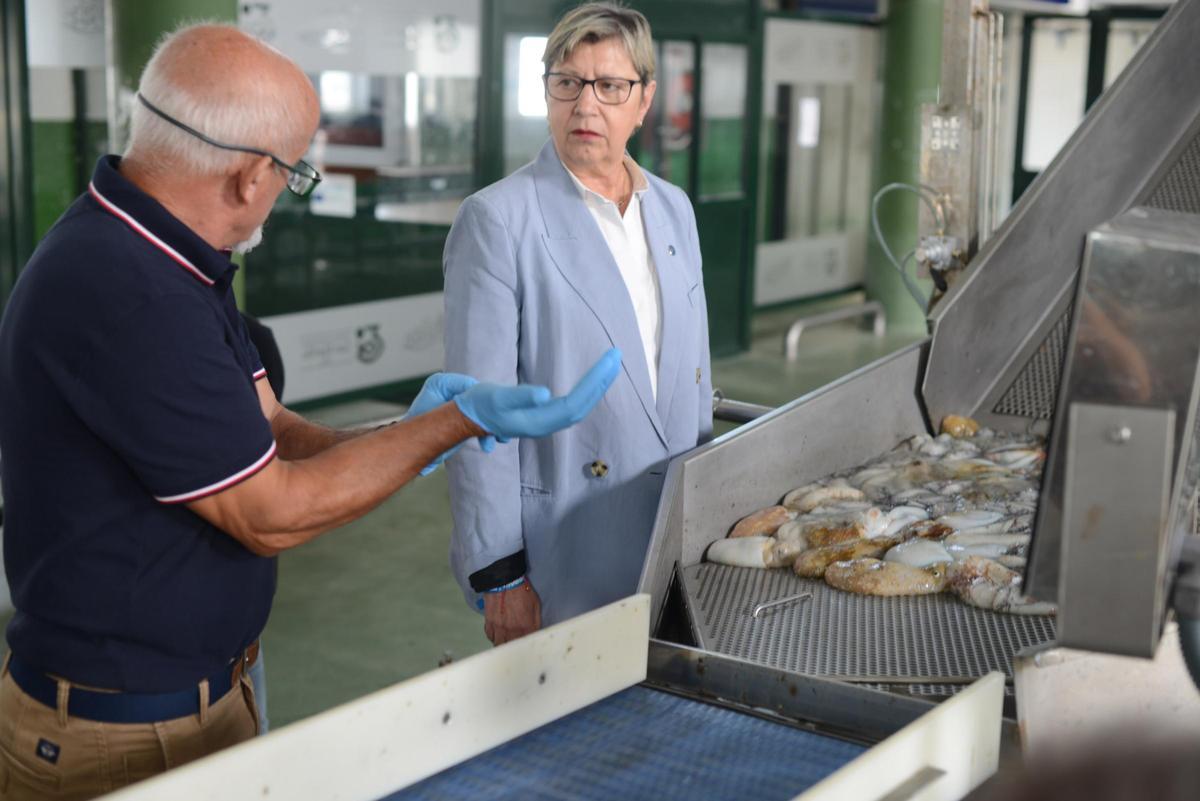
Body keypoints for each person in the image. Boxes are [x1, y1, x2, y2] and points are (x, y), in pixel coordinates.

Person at [0, 24, 619, 800]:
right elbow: (271, 512)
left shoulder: (174, 252)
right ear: (252, 177)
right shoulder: (128, 291)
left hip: (205, 695)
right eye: (295, 174)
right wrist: (450, 423)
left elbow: (272, 431)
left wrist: (405, 432)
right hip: (119, 735)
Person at [444, 2, 713, 645]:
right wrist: (500, 574)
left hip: (675, 537)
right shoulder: (498, 220)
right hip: (564, 548)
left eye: (610, 86)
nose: (586, 106)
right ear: (546, 94)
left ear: (644, 100)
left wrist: (711, 510)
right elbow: (475, 419)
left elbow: (693, 378)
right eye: (567, 82)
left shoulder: (672, 210)